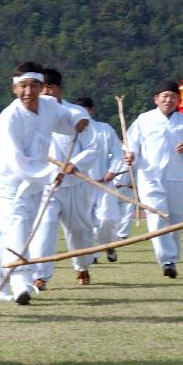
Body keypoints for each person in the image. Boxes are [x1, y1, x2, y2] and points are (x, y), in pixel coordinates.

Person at [0, 62, 88, 304]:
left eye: (33, 86)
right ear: (14, 89)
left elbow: (67, 116)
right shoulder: (8, 119)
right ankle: (21, 281)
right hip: (7, 184)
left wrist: (80, 120)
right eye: (23, 86)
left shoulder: (49, 105)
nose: (28, 92)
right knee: (18, 226)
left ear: (42, 87)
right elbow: (15, 161)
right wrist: (51, 173)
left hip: (34, 185)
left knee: (15, 232)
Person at [125, 80, 183, 278]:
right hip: (150, 177)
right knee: (158, 216)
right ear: (156, 99)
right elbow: (130, 143)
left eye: (173, 97)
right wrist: (130, 154)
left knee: (176, 219)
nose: (169, 100)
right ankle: (167, 259)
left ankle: (173, 260)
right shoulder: (144, 120)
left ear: (178, 100)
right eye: (165, 96)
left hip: (176, 177)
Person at [29, 69, 98, 289]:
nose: (46, 92)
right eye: (42, 88)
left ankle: (82, 266)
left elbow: (93, 147)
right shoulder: (31, 114)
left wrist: (74, 163)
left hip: (75, 184)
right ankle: (41, 275)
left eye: (50, 87)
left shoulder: (77, 113)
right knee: (45, 228)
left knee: (79, 231)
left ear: (59, 89)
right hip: (48, 184)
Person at [76, 96, 124, 263]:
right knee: (85, 222)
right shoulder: (71, 133)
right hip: (81, 184)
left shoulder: (104, 129)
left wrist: (112, 171)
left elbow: (118, 152)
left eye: (85, 110)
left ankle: (109, 246)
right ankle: (92, 254)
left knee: (107, 219)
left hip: (104, 182)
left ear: (91, 110)